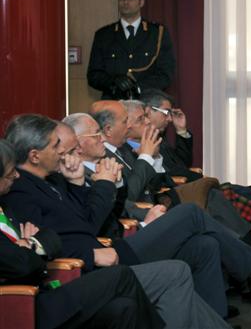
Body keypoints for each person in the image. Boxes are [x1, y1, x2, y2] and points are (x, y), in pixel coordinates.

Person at [2, 114, 251, 319]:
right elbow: (82, 229)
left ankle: (219, 314)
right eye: (57, 146)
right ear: (35, 155)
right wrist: (102, 186)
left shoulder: (52, 180)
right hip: (105, 255)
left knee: (204, 245)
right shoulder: (22, 192)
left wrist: (80, 184)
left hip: (116, 243)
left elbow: (84, 219)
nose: (65, 152)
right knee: (190, 214)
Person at [0, 138, 166, 329]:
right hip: (24, 305)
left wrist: (31, 244)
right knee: (122, 274)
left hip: (48, 287)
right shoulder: (18, 196)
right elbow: (22, 264)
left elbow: (51, 239)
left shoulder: (5, 206)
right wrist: (34, 245)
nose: (16, 175)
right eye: (10, 173)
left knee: (123, 308)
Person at [87, 0, 176, 99]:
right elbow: (93, 75)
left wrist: (138, 88)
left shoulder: (157, 33)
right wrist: (113, 82)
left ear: (141, 2)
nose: (126, 2)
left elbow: (166, 74)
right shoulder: (103, 35)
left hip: (146, 102)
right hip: (114, 102)